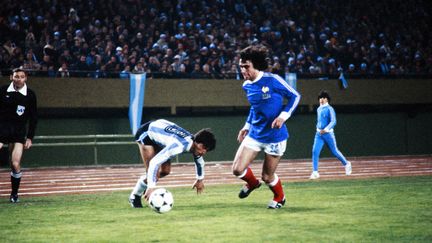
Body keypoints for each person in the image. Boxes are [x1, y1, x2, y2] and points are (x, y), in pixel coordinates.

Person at [232, 45, 301, 209]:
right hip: (255, 134)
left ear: (255, 64)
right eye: (241, 66)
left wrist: (283, 116)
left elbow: (295, 96)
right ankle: (252, 183)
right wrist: (247, 125)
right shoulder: (246, 85)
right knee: (237, 169)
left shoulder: (272, 80)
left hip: (275, 137)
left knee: (267, 177)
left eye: (246, 66)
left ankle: (280, 197)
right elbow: (254, 107)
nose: (243, 70)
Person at [129, 119, 216, 208]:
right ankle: (135, 196)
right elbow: (154, 162)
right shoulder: (179, 145)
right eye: (203, 147)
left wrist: (200, 180)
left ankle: (146, 184)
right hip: (146, 133)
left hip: (159, 132)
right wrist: (151, 187)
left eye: (207, 149)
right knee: (152, 174)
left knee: (165, 171)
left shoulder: (194, 145)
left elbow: (200, 162)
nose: (204, 152)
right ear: (197, 142)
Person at [0, 68, 38, 203]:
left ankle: (14, 194)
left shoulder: (30, 95)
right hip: (2, 129)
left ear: (25, 78)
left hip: (18, 132)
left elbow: (34, 118)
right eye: (16, 76)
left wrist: (30, 137)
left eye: (22, 77)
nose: (19, 79)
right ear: (11, 77)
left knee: (15, 164)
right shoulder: (3, 90)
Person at [309, 90, 352, 179]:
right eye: (320, 98)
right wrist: (318, 129)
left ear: (327, 99)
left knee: (335, 151)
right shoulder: (318, 109)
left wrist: (325, 129)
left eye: (323, 98)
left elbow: (333, 121)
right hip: (318, 135)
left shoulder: (330, 109)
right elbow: (319, 121)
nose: (321, 99)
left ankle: (347, 163)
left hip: (328, 135)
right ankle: (315, 172)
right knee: (314, 151)